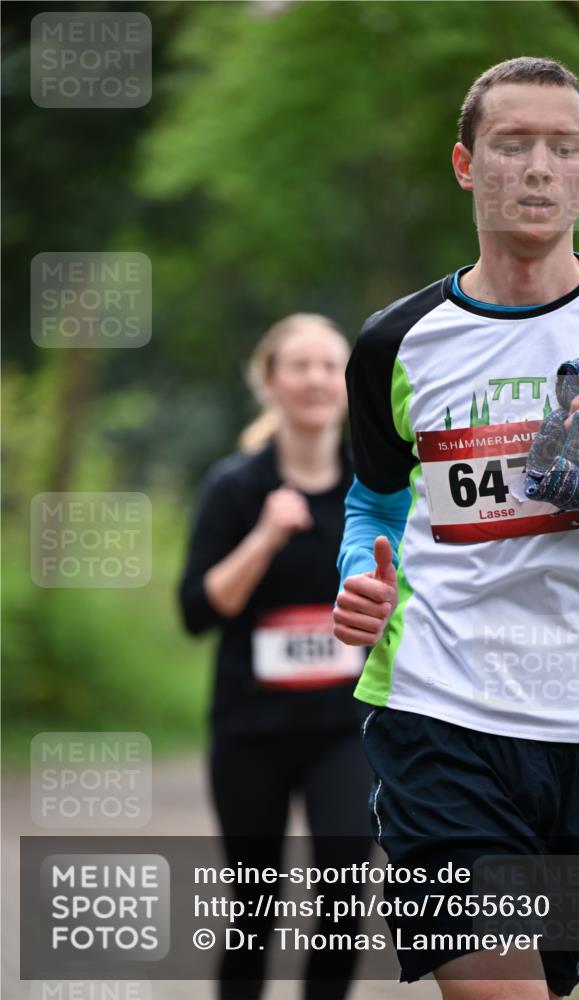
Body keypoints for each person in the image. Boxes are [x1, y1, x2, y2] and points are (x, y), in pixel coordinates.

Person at [334, 57, 579, 1000]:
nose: (536, 168)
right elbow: (373, 502)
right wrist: (361, 574)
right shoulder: (393, 342)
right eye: (511, 144)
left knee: (542, 984)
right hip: (438, 710)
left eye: (561, 148)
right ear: (464, 164)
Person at [179, 313, 373, 1000]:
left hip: (344, 730)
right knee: (254, 909)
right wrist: (264, 536)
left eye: (330, 365)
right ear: (270, 381)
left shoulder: (372, 489)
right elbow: (196, 611)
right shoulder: (236, 487)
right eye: (300, 365)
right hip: (250, 730)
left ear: (349, 383)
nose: (317, 378)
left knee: (345, 889)